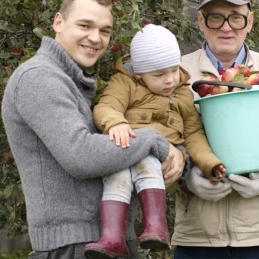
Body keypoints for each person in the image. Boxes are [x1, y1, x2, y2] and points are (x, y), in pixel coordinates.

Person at [1, 0, 185, 259]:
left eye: (105, 30)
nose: (95, 38)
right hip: (72, 246)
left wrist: (177, 154)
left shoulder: (71, 81)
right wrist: (158, 142)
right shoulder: (38, 78)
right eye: (85, 25)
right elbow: (81, 155)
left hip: (105, 242)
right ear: (58, 22)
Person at [172, 0, 259, 259]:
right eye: (216, 17)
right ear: (200, 20)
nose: (227, 27)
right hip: (197, 237)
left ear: (250, 21)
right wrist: (185, 179)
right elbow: (161, 141)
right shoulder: (175, 77)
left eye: (236, 18)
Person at [88, 24, 226, 254]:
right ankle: (112, 238)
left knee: (148, 162)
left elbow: (193, 133)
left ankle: (156, 227)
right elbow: (107, 106)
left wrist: (209, 162)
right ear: (138, 73)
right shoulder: (125, 84)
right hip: (128, 146)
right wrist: (116, 122)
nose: (170, 80)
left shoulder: (182, 93)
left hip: (161, 154)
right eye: (159, 75)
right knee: (116, 176)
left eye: (173, 70)